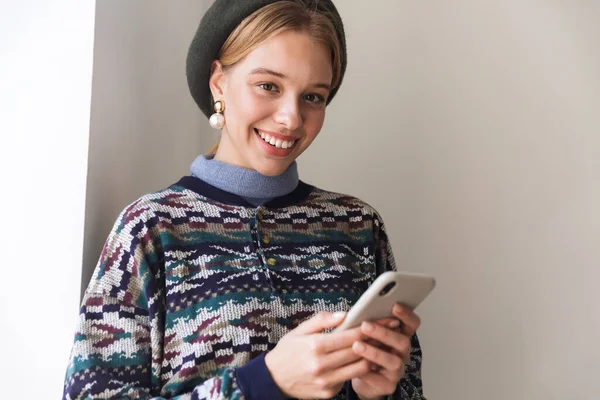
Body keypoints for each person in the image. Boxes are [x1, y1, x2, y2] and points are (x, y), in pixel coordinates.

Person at [62, 1, 426, 399]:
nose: (291, 118)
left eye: (313, 96)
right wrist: (262, 384)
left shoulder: (358, 227)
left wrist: (376, 394)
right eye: (268, 86)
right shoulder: (151, 228)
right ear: (219, 82)